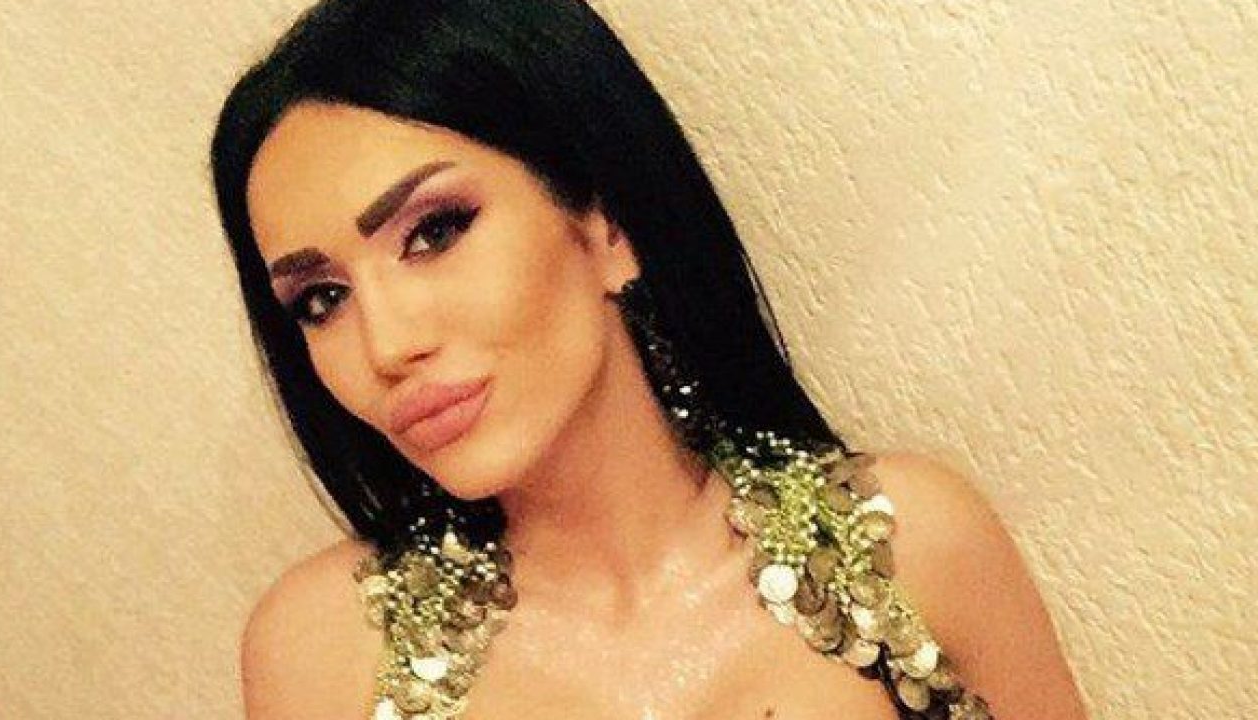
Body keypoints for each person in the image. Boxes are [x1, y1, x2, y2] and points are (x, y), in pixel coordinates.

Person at [209, 1, 1088, 718]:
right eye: (321, 299)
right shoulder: (322, 650)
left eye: (434, 233)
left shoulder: (908, 546)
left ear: (609, 224)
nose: (387, 346)